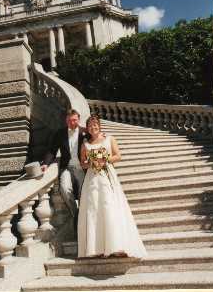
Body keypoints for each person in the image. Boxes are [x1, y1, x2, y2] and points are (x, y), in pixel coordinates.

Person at [77, 114, 147, 258]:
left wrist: (105, 159)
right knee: (94, 209)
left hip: (107, 177)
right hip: (92, 179)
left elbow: (118, 156)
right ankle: (96, 248)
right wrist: (91, 163)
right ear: (87, 129)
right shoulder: (85, 145)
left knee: (109, 207)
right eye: (90, 126)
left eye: (95, 125)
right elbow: (82, 163)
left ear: (99, 126)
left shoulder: (109, 139)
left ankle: (115, 246)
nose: (93, 127)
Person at [42, 108, 86, 220]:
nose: (72, 123)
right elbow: (52, 150)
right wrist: (46, 163)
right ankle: (75, 213)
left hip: (81, 167)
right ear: (66, 121)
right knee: (65, 189)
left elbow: (95, 142)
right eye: (69, 120)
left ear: (79, 119)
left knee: (83, 191)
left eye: (74, 120)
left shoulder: (85, 132)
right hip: (66, 167)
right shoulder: (60, 133)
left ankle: (83, 214)